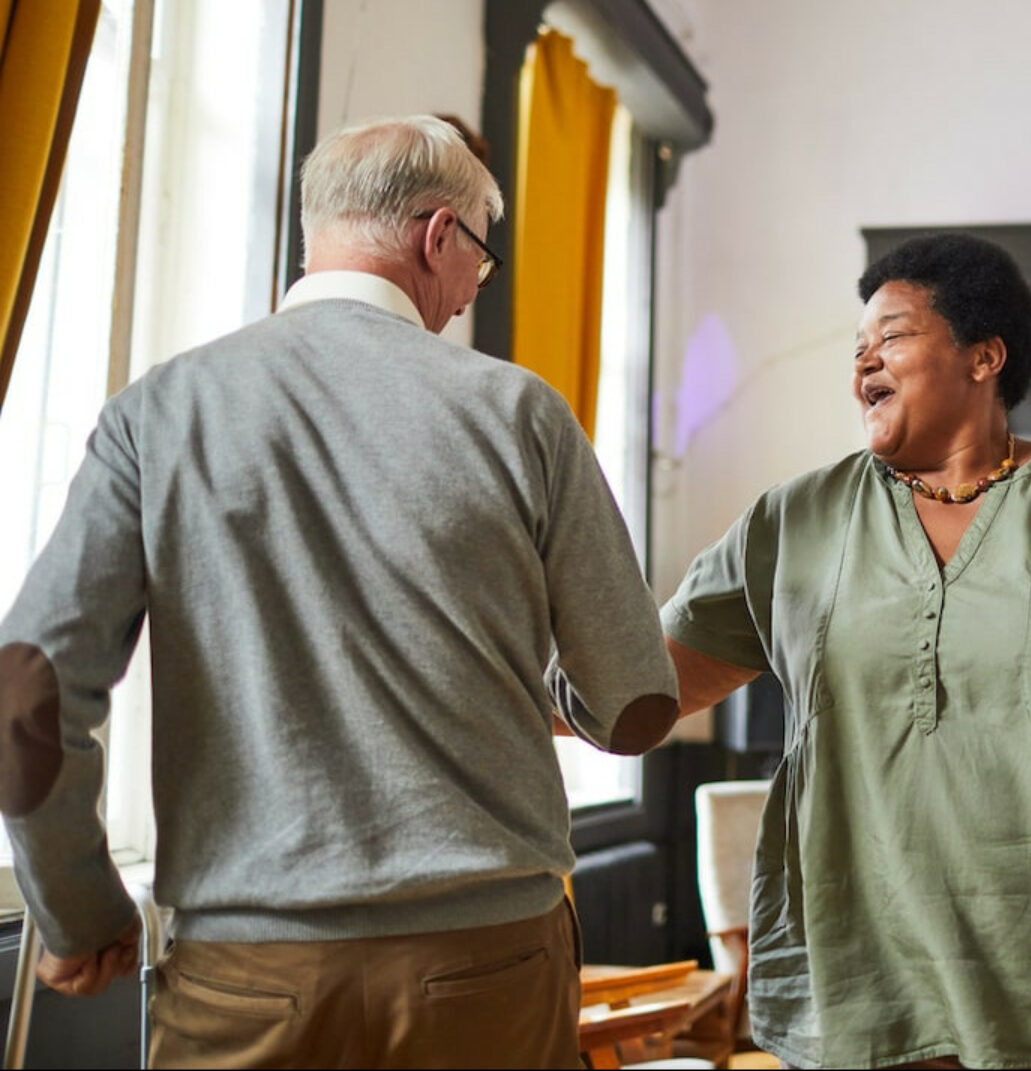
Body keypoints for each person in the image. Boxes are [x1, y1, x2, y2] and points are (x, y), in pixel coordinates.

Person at [0, 114, 679, 1068]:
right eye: (478, 267)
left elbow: (25, 688)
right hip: (485, 962)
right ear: (439, 236)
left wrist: (77, 905)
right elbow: (637, 707)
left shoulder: (159, 411)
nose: (463, 299)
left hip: (247, 970)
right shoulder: (519, 412)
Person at [657, 232, 1031, 1069]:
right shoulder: (794, 521)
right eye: (859, 346)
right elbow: (647, 684)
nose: (865, 361)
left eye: (894, 335)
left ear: (985, 356)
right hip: (864, 980)